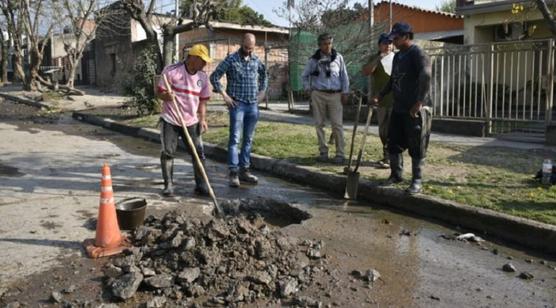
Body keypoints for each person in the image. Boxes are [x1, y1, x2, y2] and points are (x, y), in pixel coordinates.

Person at [372, 22, 432, 194]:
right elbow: (393, 80)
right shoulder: (399, 56)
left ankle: (417, 181)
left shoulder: (418, 54)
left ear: (406, 36)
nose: (394, 42)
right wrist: (380, 95)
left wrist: (419, 102)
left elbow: (426, 75)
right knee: (393, 142)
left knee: (416, 145)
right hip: (398, 107)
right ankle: (396, 175)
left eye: (396, 38)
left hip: (415, 108)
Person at [210, 33, 268, 188]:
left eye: (251, 48)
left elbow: (264, 76)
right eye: (246, 47)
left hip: (252, 105)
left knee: (248, 139)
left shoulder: (256, 60)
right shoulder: (231, 59)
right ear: (241, 43)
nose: (249, 50)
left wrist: (262, 92)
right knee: (235, 139)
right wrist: (225, 96)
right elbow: (214, 77)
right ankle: (233, 172)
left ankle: (245, 170)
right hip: (237, 105)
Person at [156, 44, 212, 197]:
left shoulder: (202, 77)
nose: (204, 64)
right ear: (193, 58)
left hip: (191, 120)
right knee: (168, 152)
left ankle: (201, 185)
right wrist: (167, 96)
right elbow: (159, 92)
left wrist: (202, 119)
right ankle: (168, 185)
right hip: (171, 119)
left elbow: (202, 101)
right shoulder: (172, 71)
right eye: (202, 60)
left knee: (198, 154)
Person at [302, 33, 350, 164]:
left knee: (337, 125)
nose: (328, 46)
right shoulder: (313, 60)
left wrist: (345, 92)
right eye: (325, 44)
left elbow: (344, 76)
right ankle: (323, 152)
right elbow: (304, 76)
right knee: (319, 124)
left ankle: (340, 154)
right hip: (319, 94)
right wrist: (308, 89)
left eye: (330, 43)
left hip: (335, 94)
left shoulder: (338, 58)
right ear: (319, 45)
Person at [362, 33, 394, 169]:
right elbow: (366, 72)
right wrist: (378, 58)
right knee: (383, 131)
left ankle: (391, 158)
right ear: (379, 45)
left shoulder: (398, 58)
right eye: (385, 43)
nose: (388, 46)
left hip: (397, 101)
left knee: (394, 131)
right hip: (381, 101)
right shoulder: (374, 58)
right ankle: (386, 155)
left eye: (390, 43)